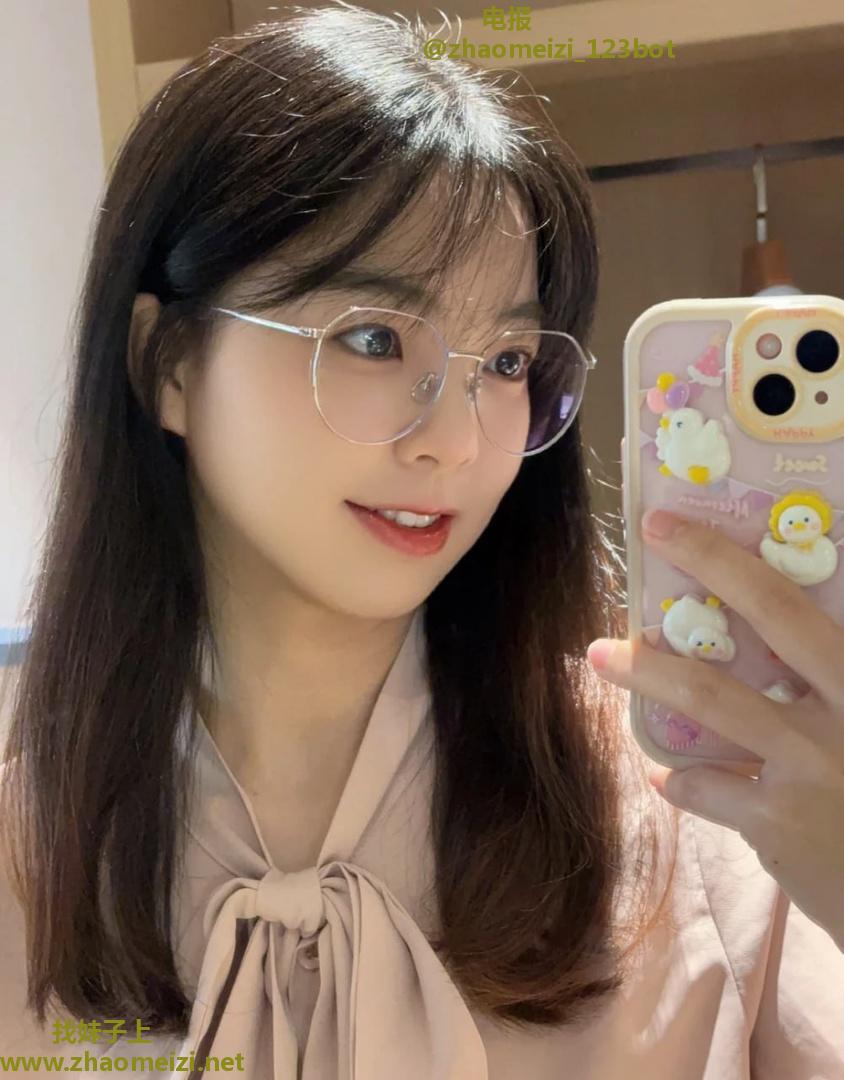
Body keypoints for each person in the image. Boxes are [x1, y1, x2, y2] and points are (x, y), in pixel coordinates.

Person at [1, 5, 842, 1078]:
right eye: (372, 338)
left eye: (506, 362)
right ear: (167, 360)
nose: (458, 440)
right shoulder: (25, 865)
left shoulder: (707, 816)